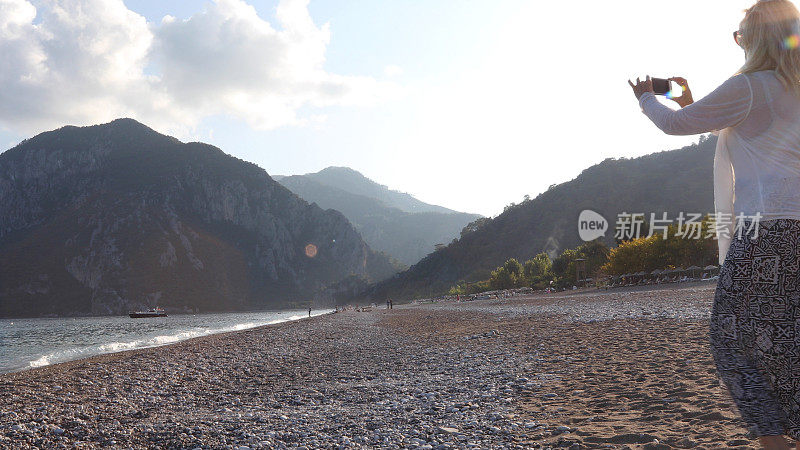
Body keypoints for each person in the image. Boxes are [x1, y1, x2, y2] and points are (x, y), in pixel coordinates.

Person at [629, 1, 800, 447]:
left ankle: (775, 442)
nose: (739, 43)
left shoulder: (749, 86)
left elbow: (675, 124)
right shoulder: (793, 87)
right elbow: (751, 132)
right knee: (790, 339)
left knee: (732, 339)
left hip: (767, 232)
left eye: (741, 35)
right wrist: (693, 100)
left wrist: (647, 96)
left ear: (757, 39)